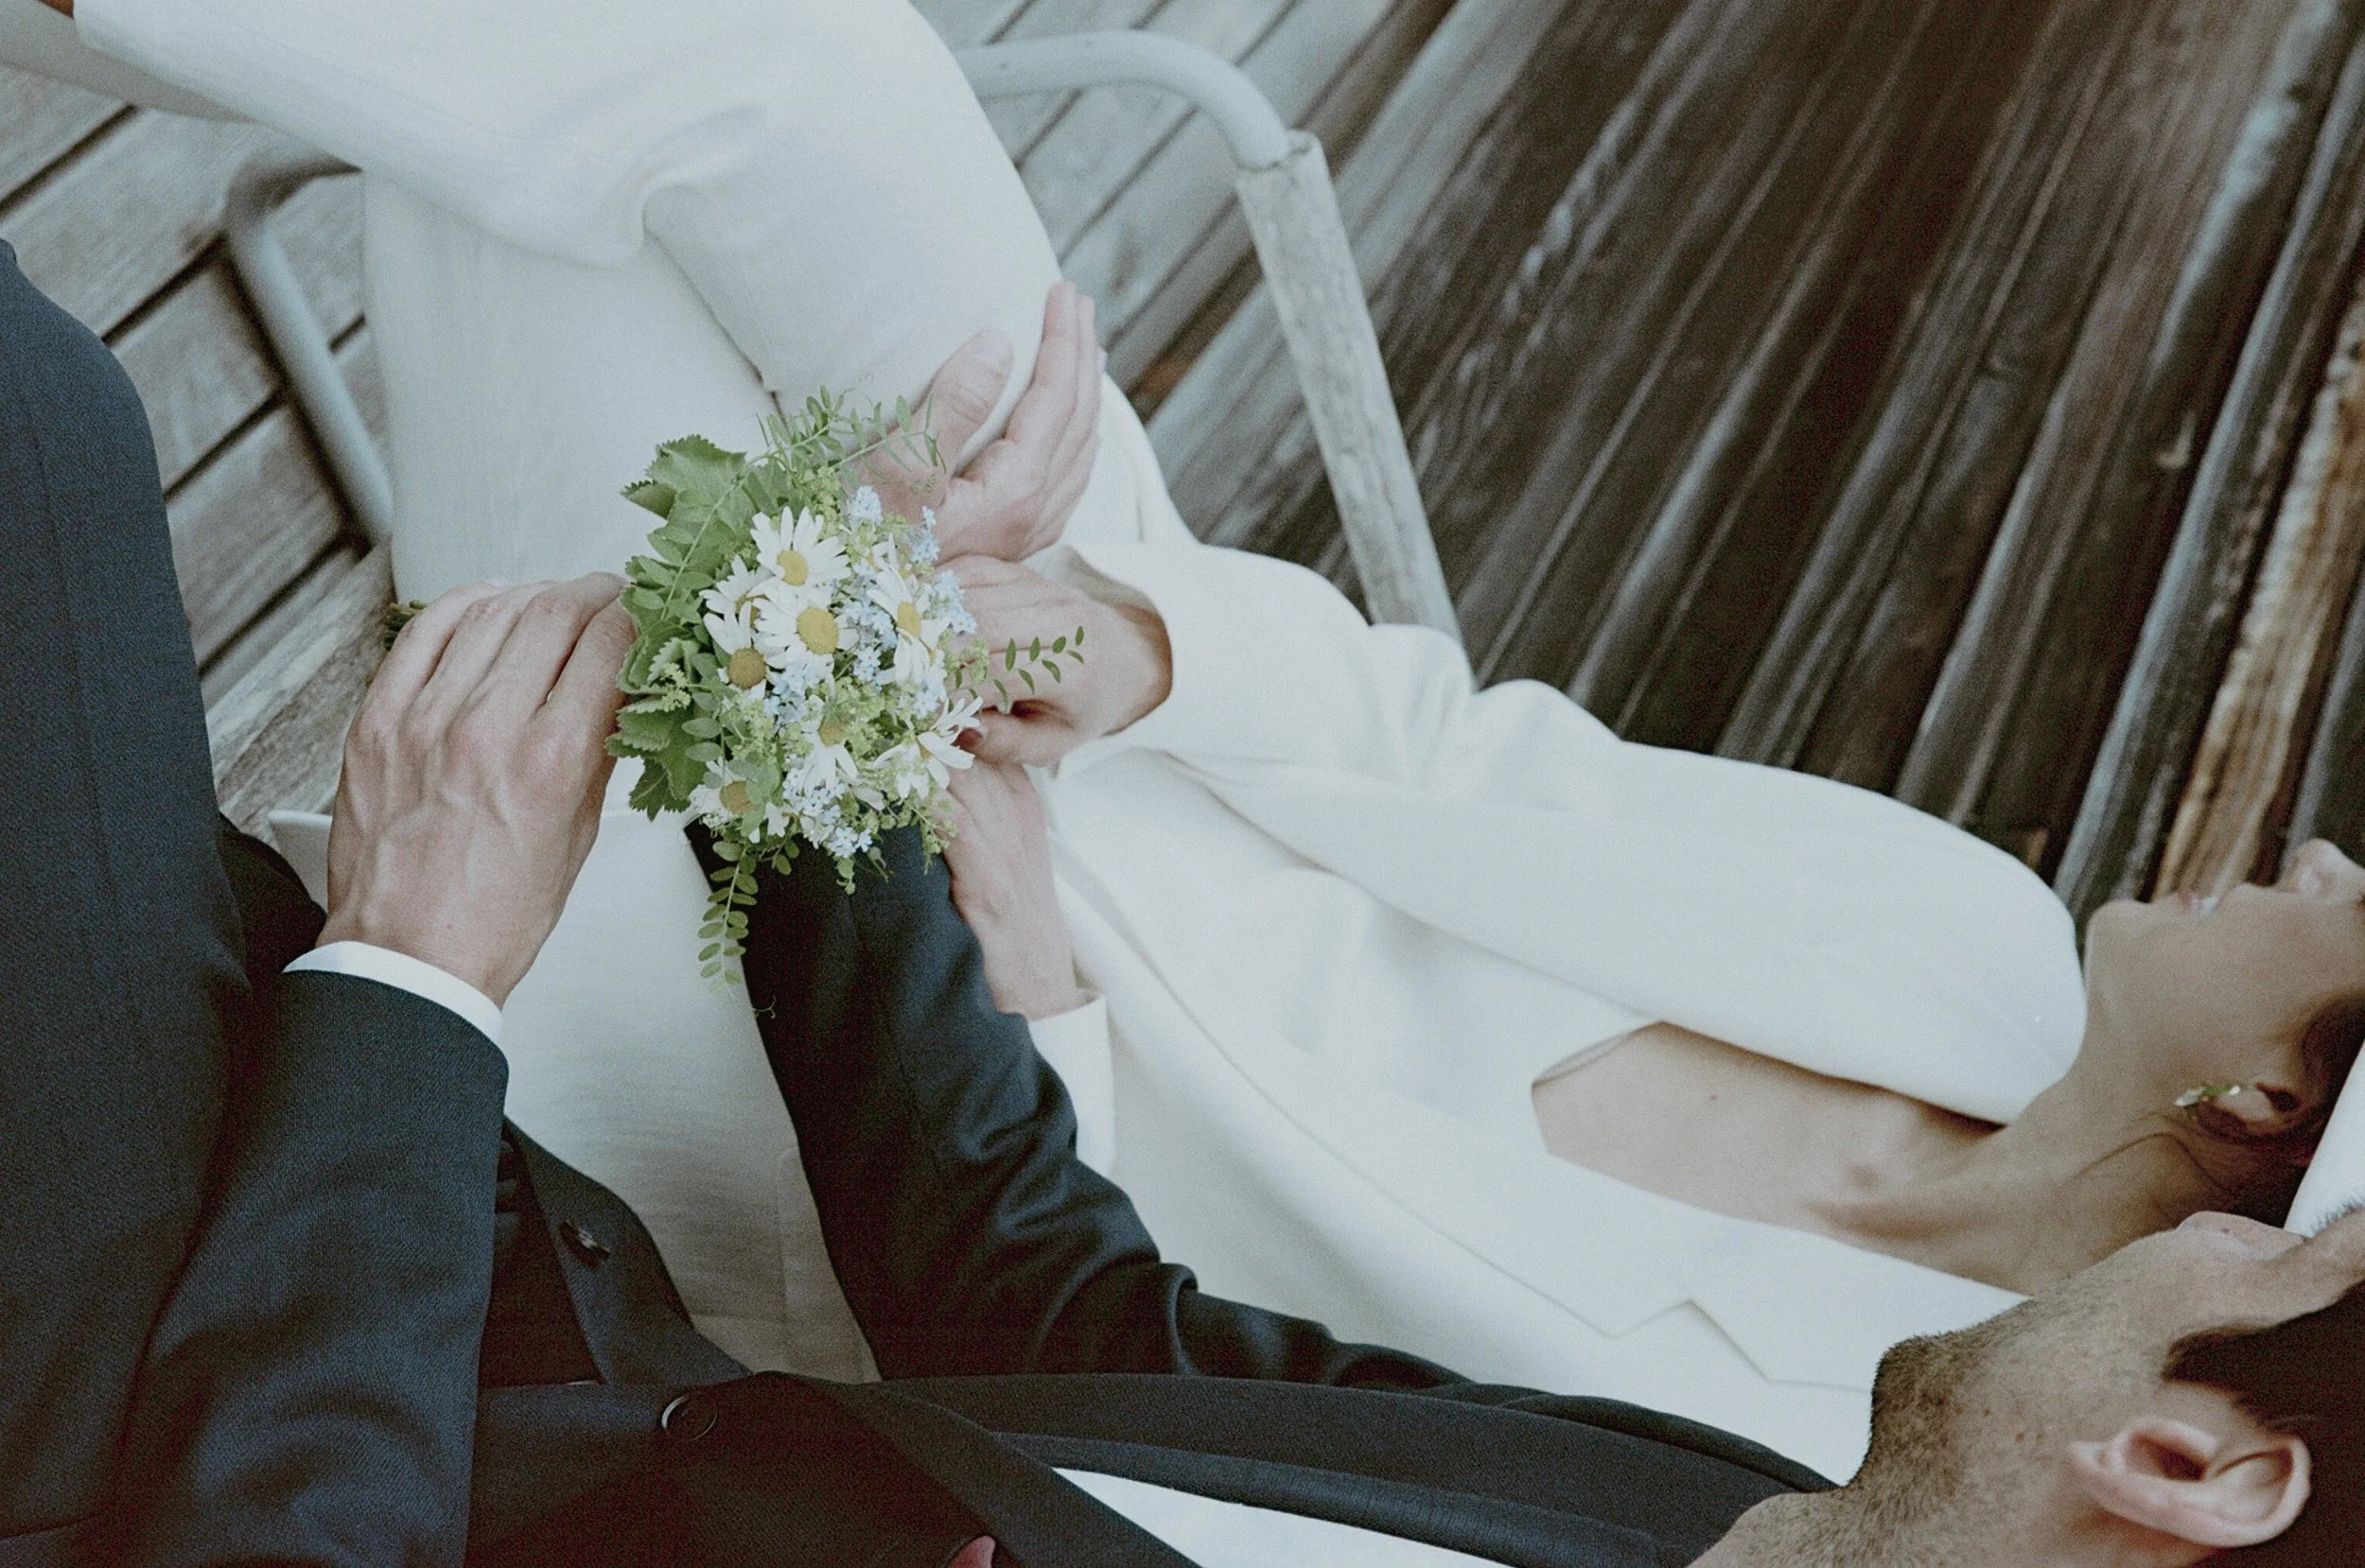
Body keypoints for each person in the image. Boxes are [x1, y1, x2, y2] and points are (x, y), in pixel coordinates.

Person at [30, 0, 2365, 1478]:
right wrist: (1131, 644)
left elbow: (1072, 1346)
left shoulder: (1837, 1452)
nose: (2329, 864)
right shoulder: (1963, 938)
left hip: (853, 1067)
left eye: (2353, 921)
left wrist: (1013, 945)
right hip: (1093, 730)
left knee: (563, 233)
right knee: (795, 63)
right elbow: (1449, 745)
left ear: (2268, 1118)